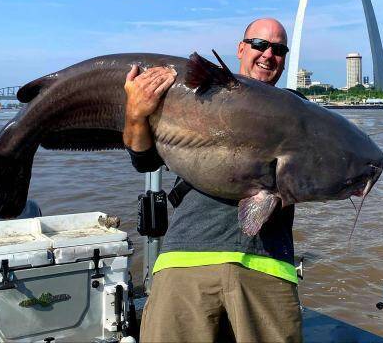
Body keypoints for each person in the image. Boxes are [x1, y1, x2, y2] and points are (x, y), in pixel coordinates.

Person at [123, 18, 302, 343]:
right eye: (260, 44)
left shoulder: (297, 111)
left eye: (279, 49)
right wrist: (136, 114)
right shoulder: (195, 98)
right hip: (186, 257)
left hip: (266, 265)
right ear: (241, 49)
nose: (268, 55)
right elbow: (145, 160)